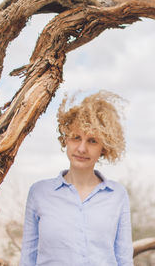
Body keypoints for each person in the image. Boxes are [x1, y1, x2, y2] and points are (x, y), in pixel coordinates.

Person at [19, 91, 134, 266]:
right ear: (66, 139)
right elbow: (28, 258)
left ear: (105, 147)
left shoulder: (117, 195)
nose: (81, 148)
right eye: (76, 138)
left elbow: (124, 259)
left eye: (92, 141)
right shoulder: (39, 192)